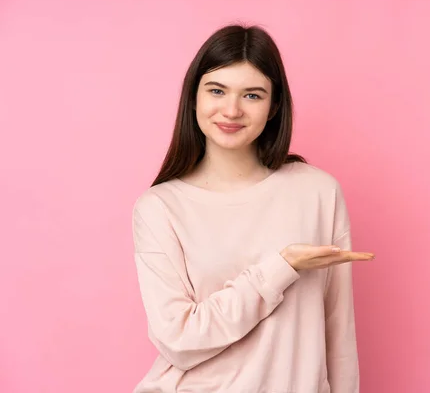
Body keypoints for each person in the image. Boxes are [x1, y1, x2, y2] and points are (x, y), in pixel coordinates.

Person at [131, 23, 375, 393]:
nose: (231, 110)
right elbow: (177, 340)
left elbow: (338, 330)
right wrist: (281, 268)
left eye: (252, 95)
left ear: (274, 105)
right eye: (216, 90)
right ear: (193, 97)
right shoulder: (160, 208)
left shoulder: (317, 192)